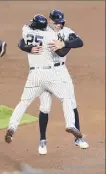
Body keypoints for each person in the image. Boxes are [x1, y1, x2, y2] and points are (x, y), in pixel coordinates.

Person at [5, 15, 83, 152]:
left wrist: (28, 48)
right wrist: (64, 44)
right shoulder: (50, 36)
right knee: (65, 99)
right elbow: (61, 52)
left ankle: (12, 127)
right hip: (51, 74)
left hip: (34, 75)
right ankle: (70, 124)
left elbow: (21, 41)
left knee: (23, 103)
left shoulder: (26, 30)